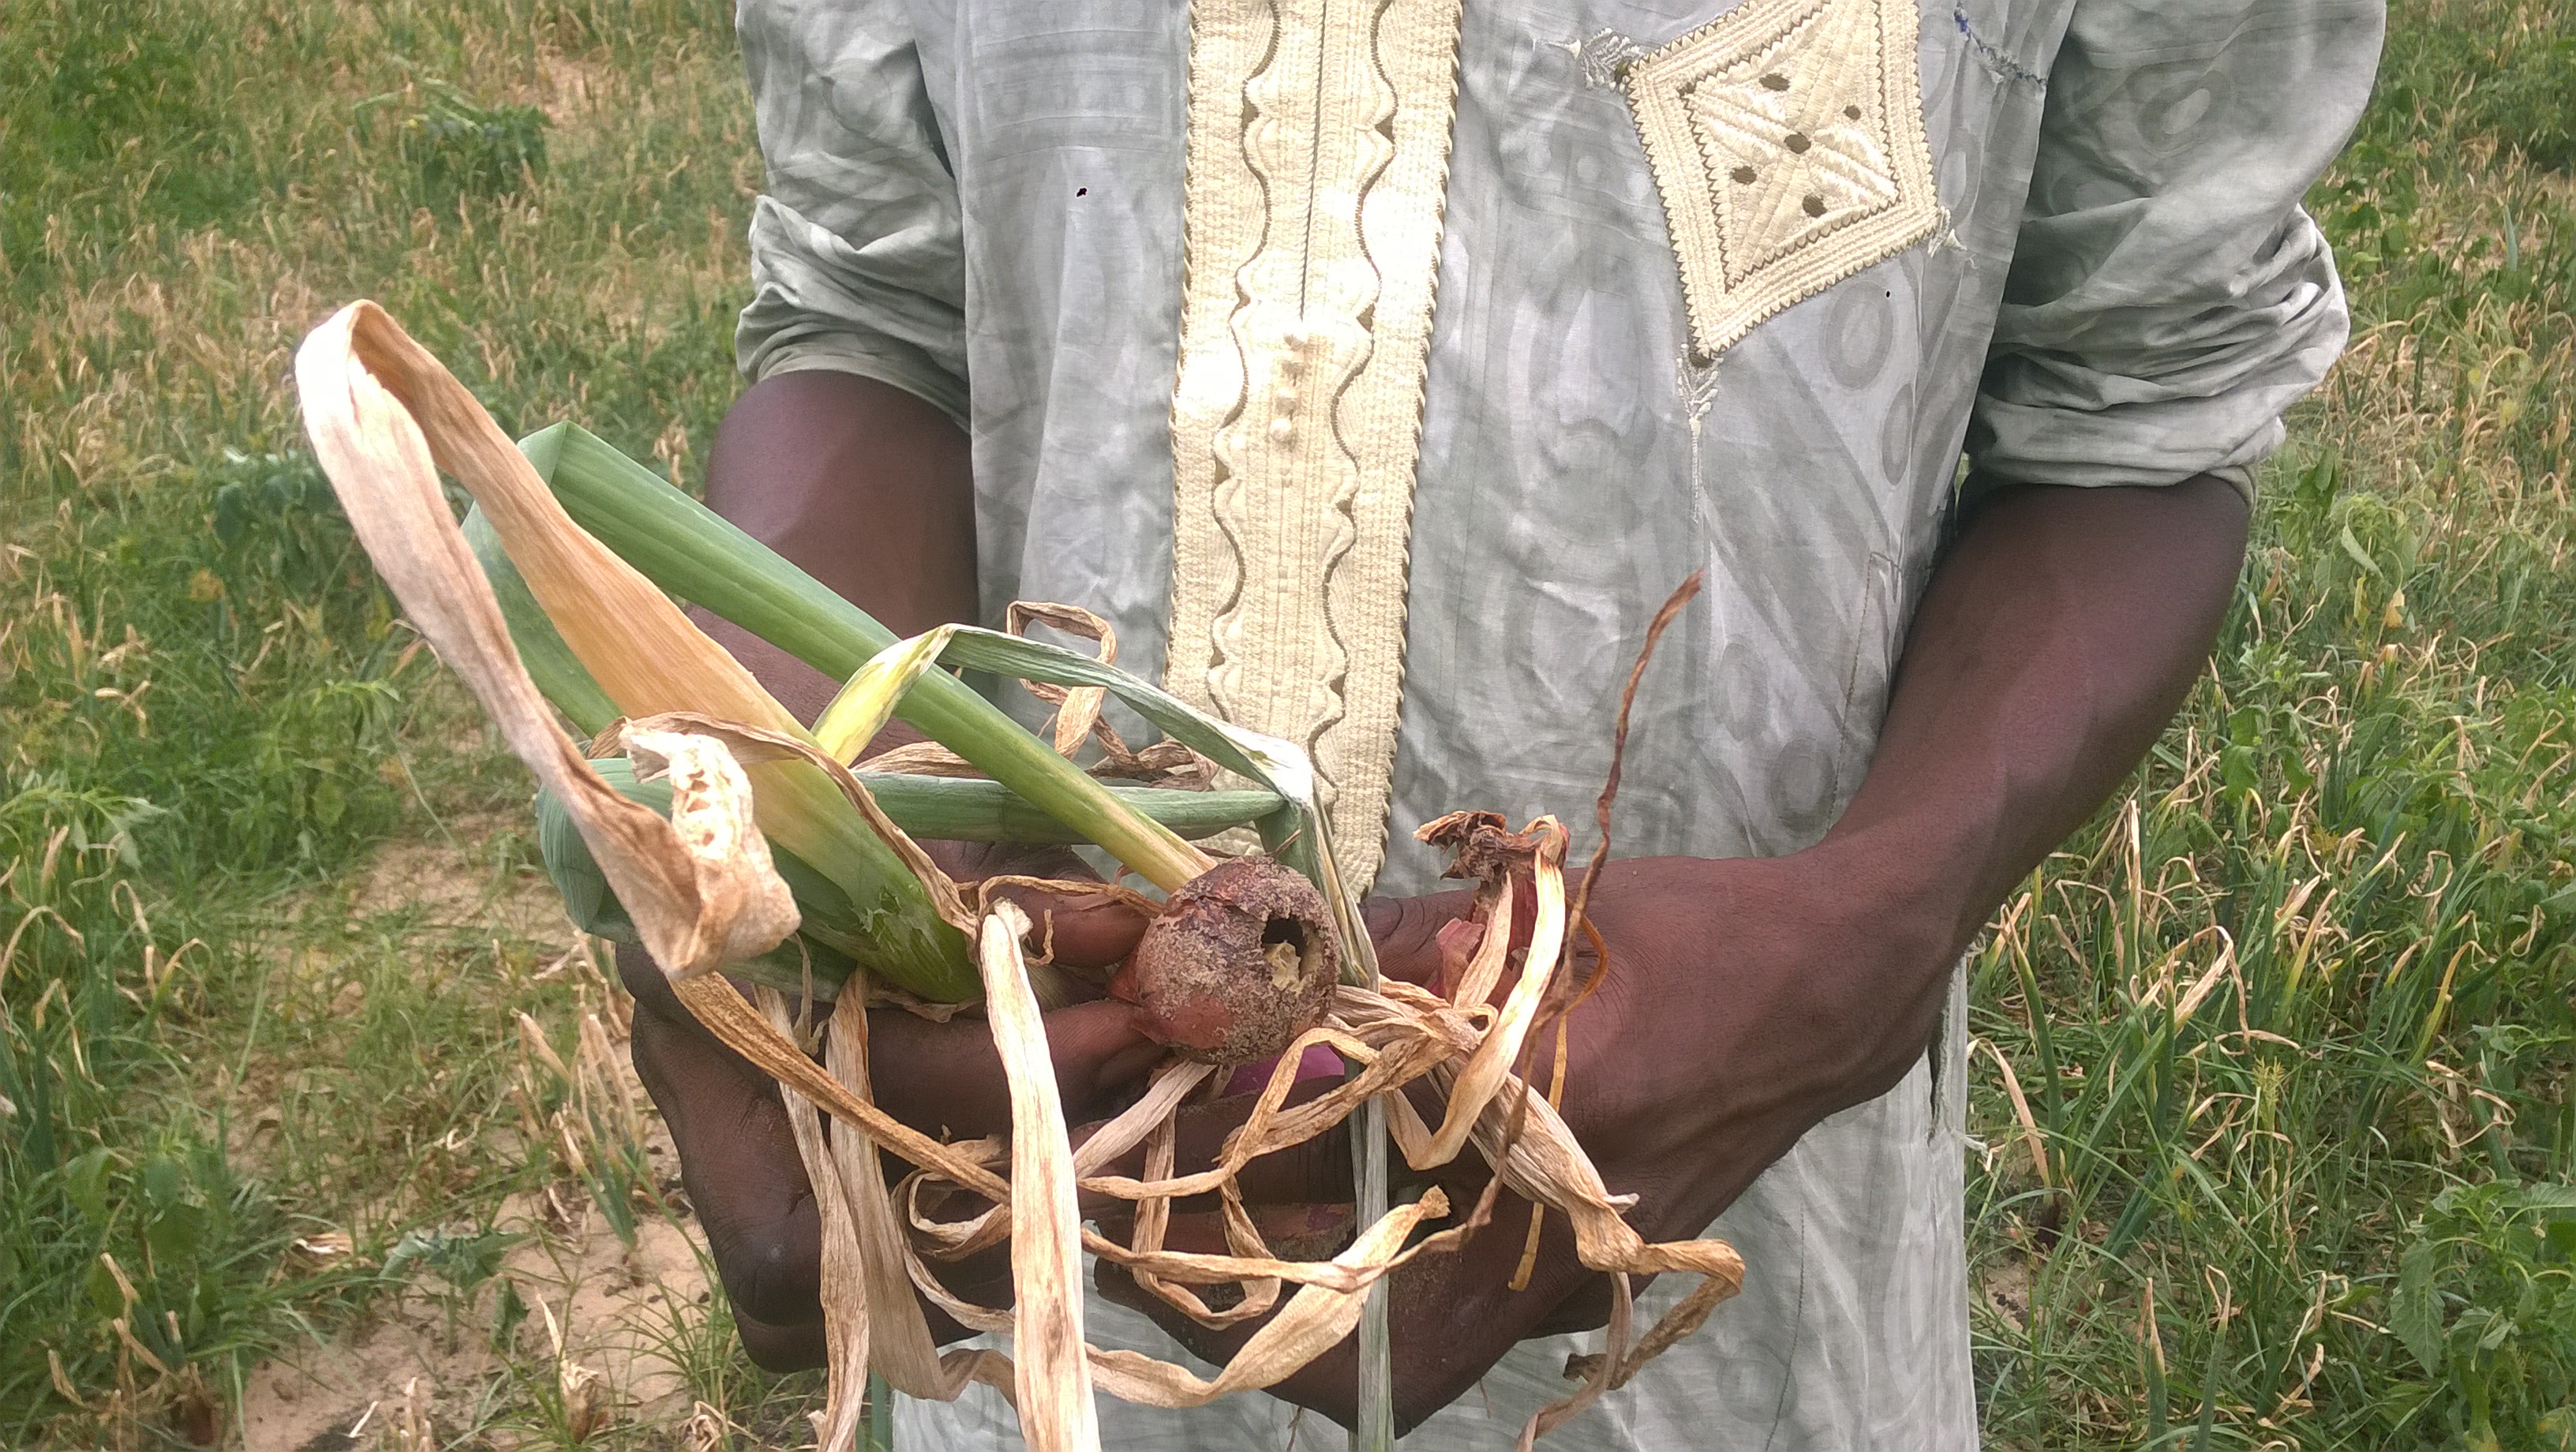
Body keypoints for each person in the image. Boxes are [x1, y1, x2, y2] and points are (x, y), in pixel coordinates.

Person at [618, 0, 2383, 1445]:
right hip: (1047, 1256)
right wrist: (775, 839)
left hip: (1724, 1262)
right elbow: (878, 311)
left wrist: (1875, 925)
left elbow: (2139, 395)